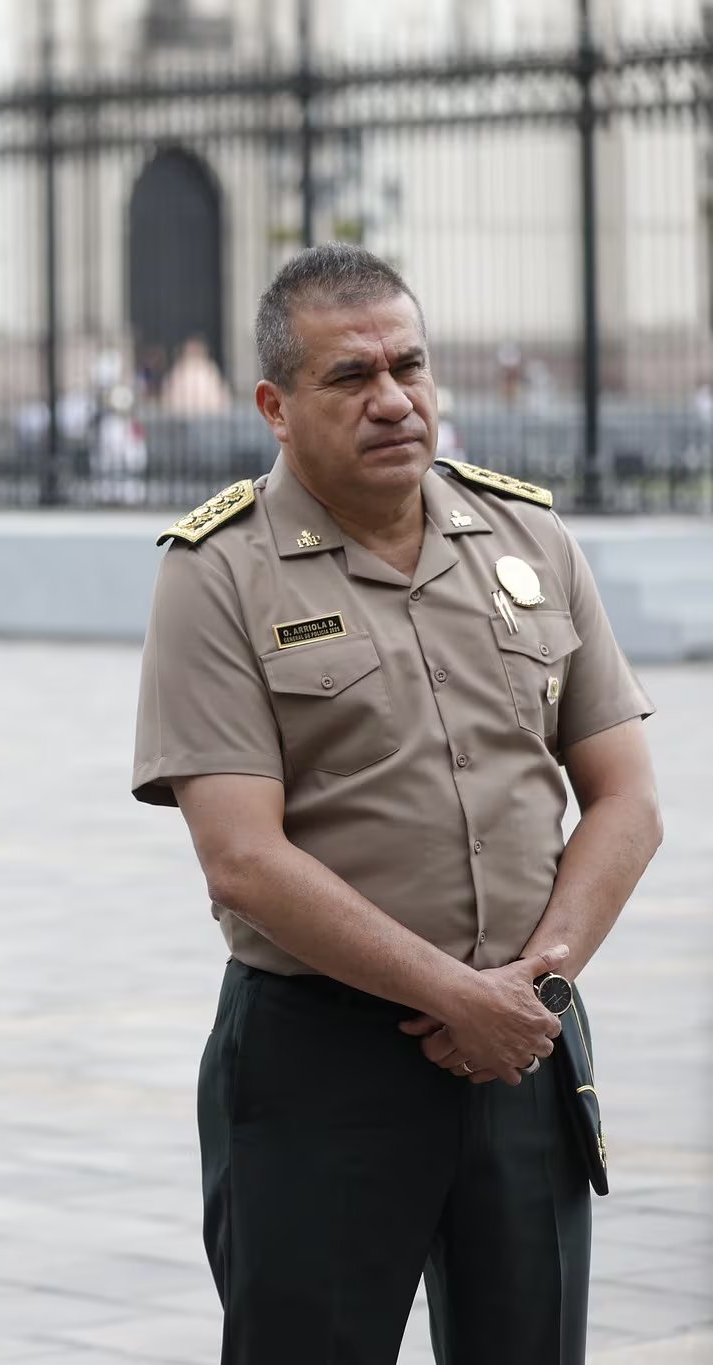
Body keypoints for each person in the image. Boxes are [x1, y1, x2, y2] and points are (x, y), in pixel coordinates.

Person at [133, 244, 662, 1364]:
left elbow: (624, 799)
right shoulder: (218, 571)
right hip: (319, 1063)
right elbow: (240, 860)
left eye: (408, 367)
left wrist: (535, 984)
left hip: (522, 1045)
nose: (392, 400)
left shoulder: (527, 537)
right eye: (349, 378)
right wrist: (452, 997)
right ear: (275, 406)